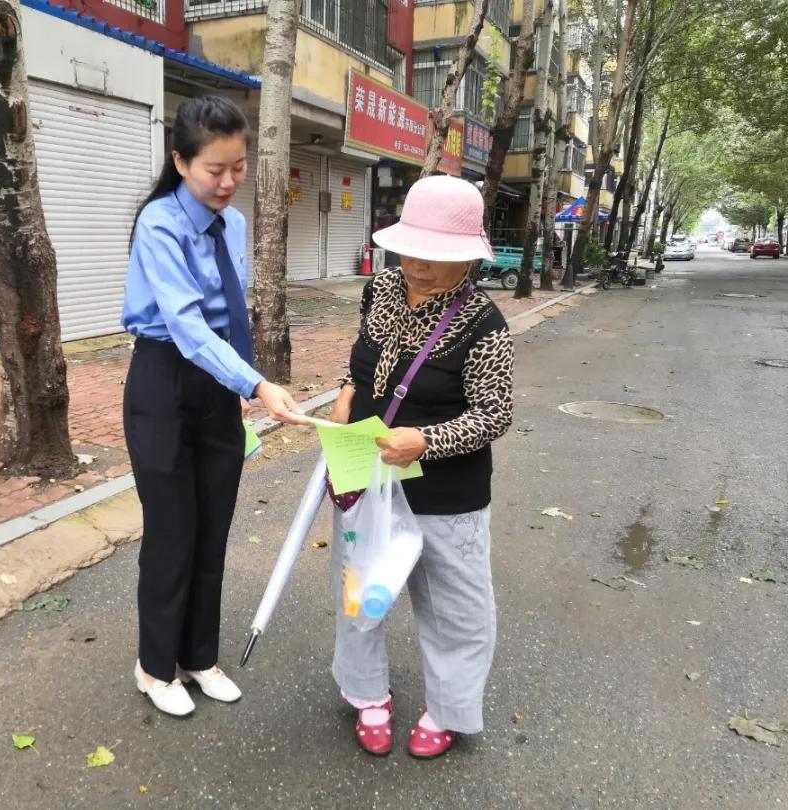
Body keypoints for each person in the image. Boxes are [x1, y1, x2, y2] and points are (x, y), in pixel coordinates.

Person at [122, 96, 306, 718]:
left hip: (217, 385)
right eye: (214, 169)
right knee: (172, 532)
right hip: (164, 382)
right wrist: (256, 384)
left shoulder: (234, 224)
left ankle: (198, 657)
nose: (228, 182)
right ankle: (155, 667)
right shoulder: (159, 224)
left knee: (213, 528)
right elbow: (185, 325)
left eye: (238, 167)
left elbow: (229, 316)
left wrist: (241, 383)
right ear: (180, 161)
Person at [328, 175, 514, 758]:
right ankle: (367, 694)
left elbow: (495, 415)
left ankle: (448, 709)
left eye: (436, 255)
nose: (418, 265)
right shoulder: (381, 289)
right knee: (361, 594)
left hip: (446, 492)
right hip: (365, 470)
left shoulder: (484, 324)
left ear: (468, 257)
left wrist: (427, 440)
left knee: (454, 609)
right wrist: (346, 390)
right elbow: (362, 359)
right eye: (411, 250)